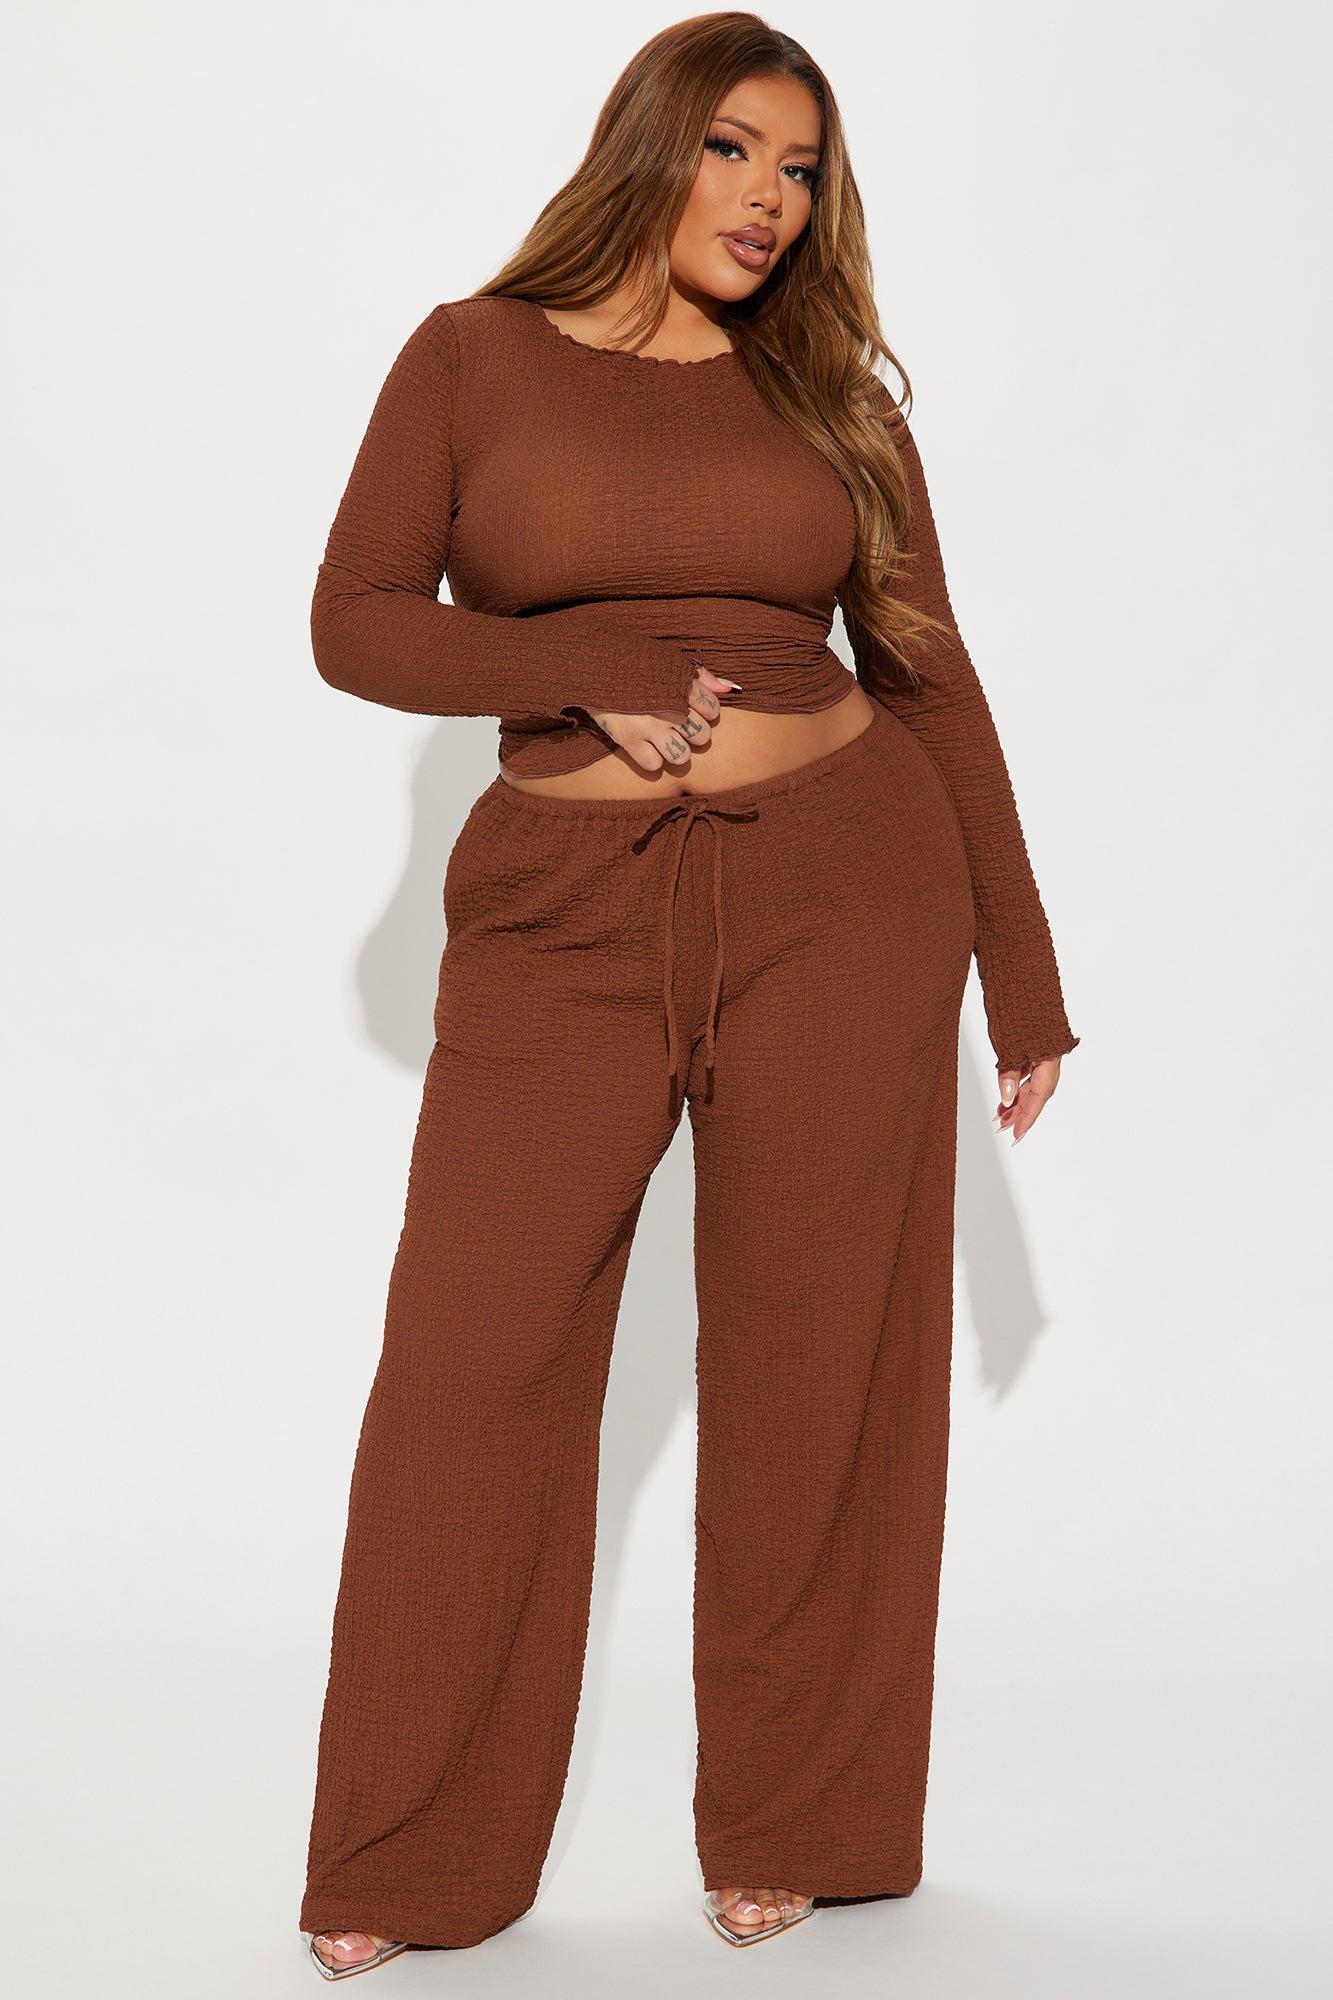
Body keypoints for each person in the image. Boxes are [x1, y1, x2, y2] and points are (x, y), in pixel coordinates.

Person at [299, 13, 1079, 1979]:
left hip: (846, 894)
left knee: (821, 1374)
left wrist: (1021, 971)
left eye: (800, 168)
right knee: (470, 1373)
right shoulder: (470, 358)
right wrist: (576, 672)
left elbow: (928, 672)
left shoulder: (829, 394)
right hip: (560, 920)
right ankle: (406, 1853)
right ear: (649, 146)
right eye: (733, 149)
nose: (767, 198)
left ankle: (801, 1825)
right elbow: (358, 618)